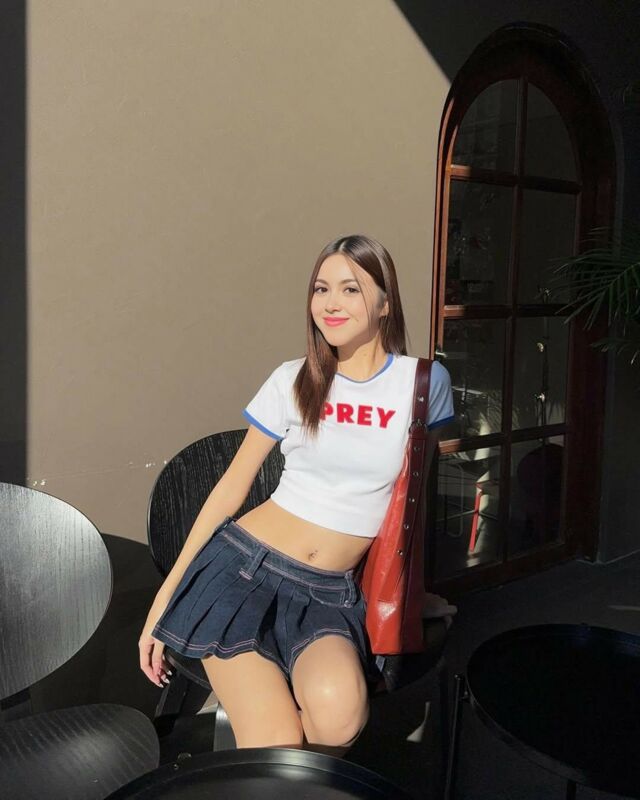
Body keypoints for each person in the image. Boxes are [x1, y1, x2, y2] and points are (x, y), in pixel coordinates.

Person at [139, 234, 455, 753]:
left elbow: (409, 508)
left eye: (351, 289)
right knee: (277, 739)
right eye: (320, 288)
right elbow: (230, 489)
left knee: (340, 720)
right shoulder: (293, 379)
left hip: (330, 591)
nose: (330, 303)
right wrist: (165, 598)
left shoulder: (423, 384)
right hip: (242, 570)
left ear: (385, 302)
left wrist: (410, 597)